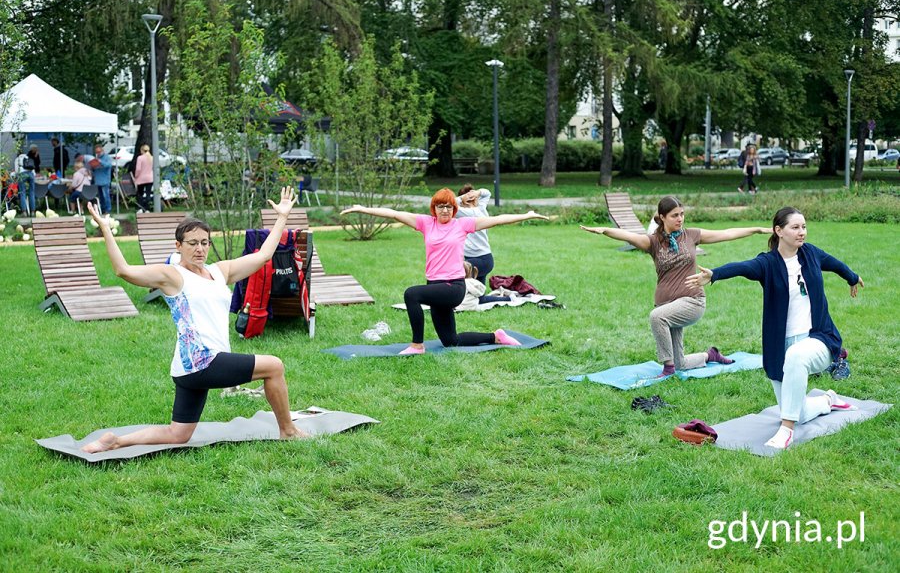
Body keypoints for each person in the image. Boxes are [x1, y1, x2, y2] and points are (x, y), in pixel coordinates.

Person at [80, 187, 309, 453]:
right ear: (178, 246)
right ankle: (288, 430)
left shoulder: (219, 272)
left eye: (204, 243)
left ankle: (116, 441)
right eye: (192, 243)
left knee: (178, 434)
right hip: (204, 362)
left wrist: (281, 217)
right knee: (274, 366)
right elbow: (123, 270)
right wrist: (106, 229)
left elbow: (263, 256)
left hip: (188, 370)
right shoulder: (173, 275)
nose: (199, 249)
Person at [686, 207, 863, 450]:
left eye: (804, 227)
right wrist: (715, 274)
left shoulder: (811, 254)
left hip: (819, 338)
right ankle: (827, 399)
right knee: (797, 410)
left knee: (796, 359)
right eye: (795, 227)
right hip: (781, 346)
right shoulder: (767, 264)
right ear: (778, 231)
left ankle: (786, 430)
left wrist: (852, 277)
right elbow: (743, 267)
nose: (802, 232)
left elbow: (835, 264)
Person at [340, 189, 549, 354]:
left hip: (453, 287)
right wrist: (362, 209)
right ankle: (495, 336)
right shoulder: (425, 223)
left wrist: (526, 215)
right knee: (451, 341)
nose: (445, 211)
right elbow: (395, 214)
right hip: (435, 286)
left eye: (449, 207)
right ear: (434, 208)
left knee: (411, 294)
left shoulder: (462, 225)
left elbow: (497, 220)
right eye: (441, 207)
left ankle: (417, 345)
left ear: (454, 209)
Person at [581, 196, 770, 377]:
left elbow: (727, 233)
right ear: (662, 217)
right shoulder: (653, 242)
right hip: (666, 304)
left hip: (692, 300)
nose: (680, 219)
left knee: (657, 318)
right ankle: (709, 355)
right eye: (674, 215)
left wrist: (756, 229)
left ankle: (667, 368)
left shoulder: (692, 235)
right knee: (681, 363)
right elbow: (628, 235)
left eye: (682, 214)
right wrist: (606, 230)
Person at [456, 184, 494, 285]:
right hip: (477, 259)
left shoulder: (473, 210)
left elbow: (487, 193)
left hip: (482, 259)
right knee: (479, 298)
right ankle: (510, 298)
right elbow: (487, 193)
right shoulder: (463, 211)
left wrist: (476, 193)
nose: (473, 200)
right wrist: (466, 197)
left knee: (455, 271)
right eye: (469, 199)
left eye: (474, 198)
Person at [89, 144, 113, 214]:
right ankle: (102, 209)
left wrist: (100, 161)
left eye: (99, 152)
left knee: (106, 196)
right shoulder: (96, 158)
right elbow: (93, 169)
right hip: (98, 180)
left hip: (105, 180)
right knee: (101, 197)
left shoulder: (107, 157)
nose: (98, 153)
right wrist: (92, 167)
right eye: (96, 152)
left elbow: (109, 165)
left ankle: (108, 210)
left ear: (102, 150)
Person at [17, 144, 40, 214]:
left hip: (22, 174)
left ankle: (24, 212)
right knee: (32, 192)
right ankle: (33, 212)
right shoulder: (30, 157)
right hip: (31, 173)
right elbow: (35, 166)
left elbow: (17, 170)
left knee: (22, 193)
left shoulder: (19, 159)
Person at [133, 144, 154, 213]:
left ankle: (140, 208)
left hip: (141, 178)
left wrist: (136, 176)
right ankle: (147, 209)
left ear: (142, 150)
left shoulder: (140, 158)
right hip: (150, 178)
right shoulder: (152, 158)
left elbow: (138, 169)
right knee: (148, 194)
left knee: (140, 194)